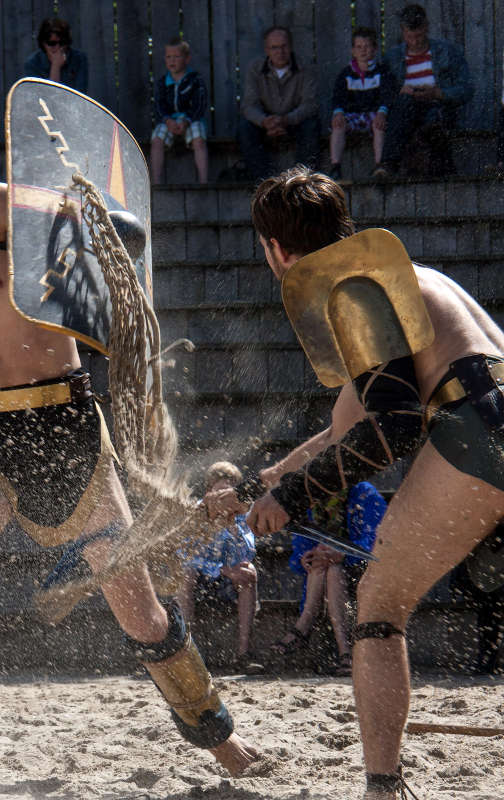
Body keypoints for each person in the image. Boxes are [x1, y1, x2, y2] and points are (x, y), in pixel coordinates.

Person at [0, 177, 260, 781]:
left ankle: (218, 736)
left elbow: (96, 222)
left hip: (67, 426)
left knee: (140, 613)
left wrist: (104, 244)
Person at [205, 164, 504, 798]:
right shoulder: (408, 281)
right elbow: (349, 428)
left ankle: (382, 788)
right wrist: (259, 489)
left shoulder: (353, 292)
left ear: (275, 249)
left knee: (379, 611)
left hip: (480, 432)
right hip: (490, 412)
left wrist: (290, 499)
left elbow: (391, 429)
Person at [273, 482, 386, 677]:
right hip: (322, 580)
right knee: (324, 565)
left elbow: (378, 543)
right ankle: (345, 653)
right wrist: (305, 559)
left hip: (364, 574)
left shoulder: (365, 495)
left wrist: (344, 554)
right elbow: (298, 555)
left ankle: (303, 628)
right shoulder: (310, 505)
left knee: (333, 569)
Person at [178, 462, 263, 674]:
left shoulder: (242, 514)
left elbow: (248, 552)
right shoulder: (196, 511)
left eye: (228, 492)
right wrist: (222, 569)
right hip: (200, 581)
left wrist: (233, 526)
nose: (223, 497)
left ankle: (244, 654)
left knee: (249, 571)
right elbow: (184, 555)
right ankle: (184, 652)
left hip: (229, 584)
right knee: (184, 574)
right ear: (209, 492)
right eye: (219, 491)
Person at [373, 4, 473, 179]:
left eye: (418, 35)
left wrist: (438, 93)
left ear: (426, 27)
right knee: (404, 105)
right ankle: (388, 166)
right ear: (403, 32)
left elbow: (467, 89)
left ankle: (442, 174)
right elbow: (383, 92)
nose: (415, 41)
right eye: (409, 36)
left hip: (438, 106)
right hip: (405, 112)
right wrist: (400, 92)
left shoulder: (447, 52)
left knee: (434, 121)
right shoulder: (392, 58)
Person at [239, 26, 320, 182]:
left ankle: (301, 181)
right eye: (274, 47)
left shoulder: (305, 67)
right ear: (266, 50)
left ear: (290, 47)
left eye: (284, 46)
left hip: (295, 121)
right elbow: (248, 105)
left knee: (312, 125)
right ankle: (264, 182)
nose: (279, 52)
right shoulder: (255, 69)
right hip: (266, 122)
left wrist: (287, 120)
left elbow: (310, 104)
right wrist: (264, 121)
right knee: (244, 128)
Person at [328, 27, 396, 181]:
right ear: (353, 50)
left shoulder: (382, 72)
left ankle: (380, 165)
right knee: (338, 125)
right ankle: (335, 166)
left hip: (374, 115)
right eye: (359, 47)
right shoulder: (346, 74)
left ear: (375, 49)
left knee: (379, 125)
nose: (363, 51)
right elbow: (338, 97)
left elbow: (387, 96)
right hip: (353, 116)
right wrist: (338, 113)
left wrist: (382, 112)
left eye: (367, 46)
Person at [150, 38, 208, 184]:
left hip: (191, 120)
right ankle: (156, 183)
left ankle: (203, 181)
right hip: (169, 121)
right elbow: (159, 105)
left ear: (187, 59)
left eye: (176, 57)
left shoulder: (195, 80)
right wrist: (168, 120)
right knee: (157, 140)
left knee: (199, 140)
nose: (172, 61)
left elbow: (199, 105)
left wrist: (187, 120)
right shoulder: (162, 82)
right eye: (169, 57)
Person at [449, 523, 504, 674]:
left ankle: (489, 662)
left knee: (489, 614)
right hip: (487, 565)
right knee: (488, 614)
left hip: (493, 563)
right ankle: (488, 662)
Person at [24, 18, 88, 93]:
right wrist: (55, 67)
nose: (57, 48)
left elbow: (80, 94)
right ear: (43, 43)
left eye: (62, 43)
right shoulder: (33, 64)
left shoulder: (79, 59)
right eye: (52, 43)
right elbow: (45, 98)